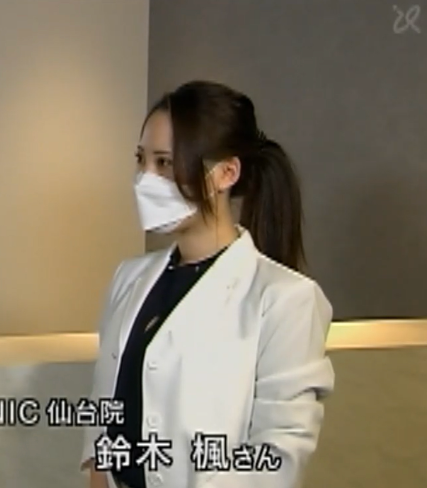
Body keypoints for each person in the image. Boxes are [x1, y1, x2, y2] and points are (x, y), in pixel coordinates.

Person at [81, 81, 334, 488]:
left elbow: (277, 454)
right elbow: (106, 405)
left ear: (226, 173)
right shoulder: (128, 279)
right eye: (141, 160)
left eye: (165, 163)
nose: (145, 179)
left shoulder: (285, 300)